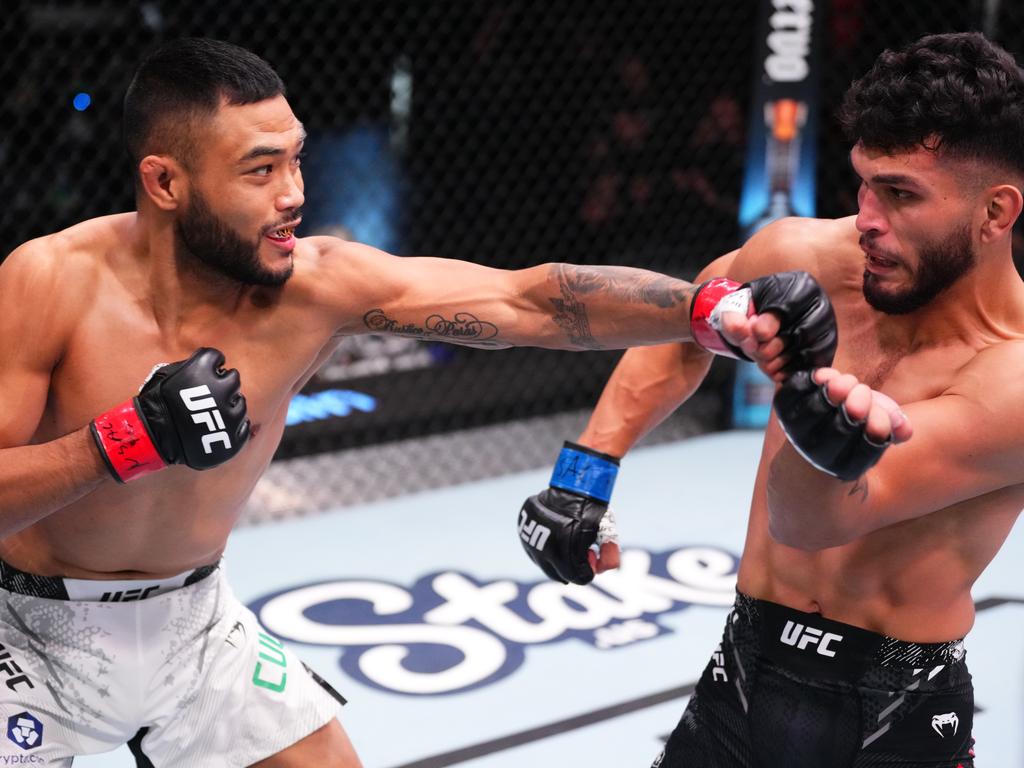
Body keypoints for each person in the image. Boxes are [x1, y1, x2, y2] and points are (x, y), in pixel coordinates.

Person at [0, 38, 834, 767]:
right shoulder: (51, 283)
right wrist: (119, 443)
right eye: (260, 170)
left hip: (195, 621)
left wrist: (706, 311)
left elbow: (530, 302)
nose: (292, 192)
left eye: (296, 159)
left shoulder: (314, 285)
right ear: (165, 182)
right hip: (24, 634)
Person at [517, 31, 1024, 767]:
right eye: (864, 182)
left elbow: (813, 518)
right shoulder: (805, 257)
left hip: (893, 714)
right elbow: (685, 326)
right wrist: (584, 474)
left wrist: (804, 404)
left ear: (996, 211)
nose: (867, 219)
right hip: (741, 672)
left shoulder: (1012, 379)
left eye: (902, 195)